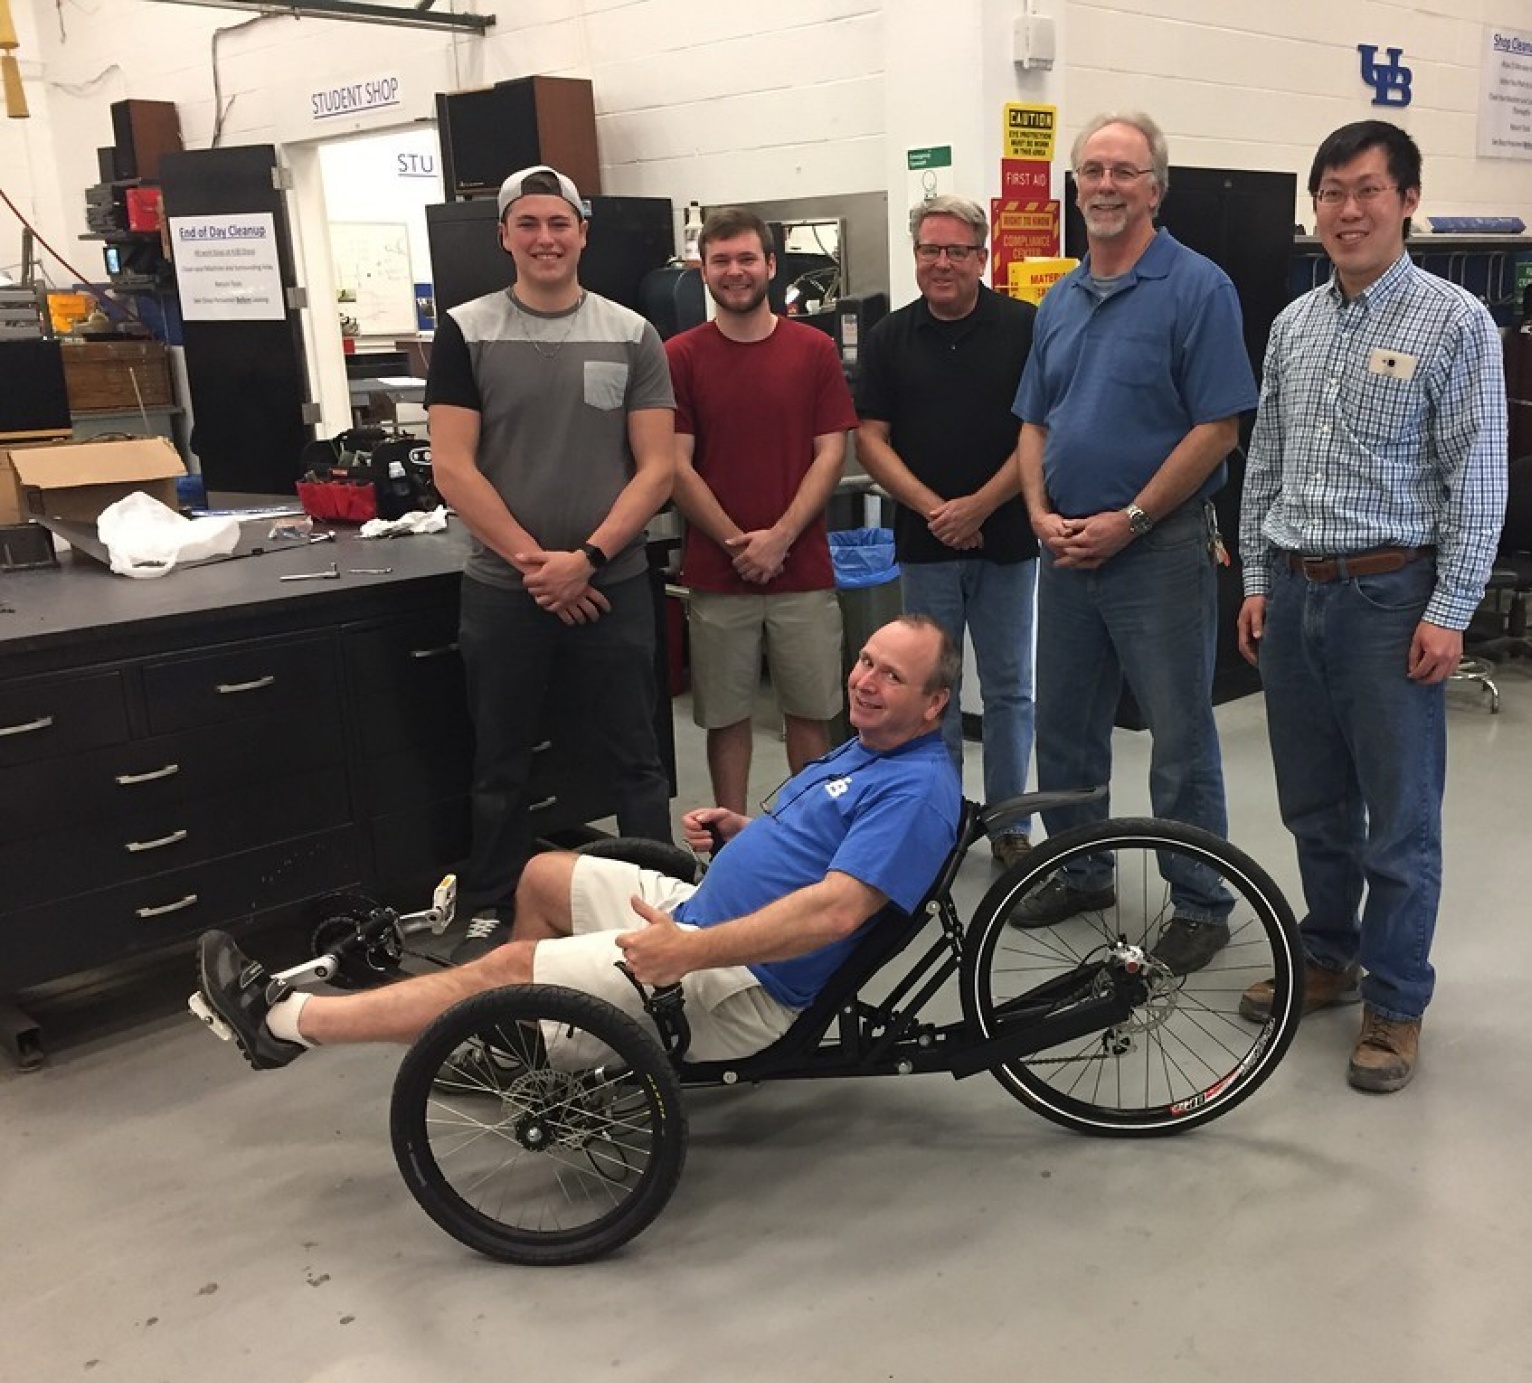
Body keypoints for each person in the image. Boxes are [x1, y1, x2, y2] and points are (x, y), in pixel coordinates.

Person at [191, 617, 963, 1071]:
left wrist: (689, 952)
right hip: (702, 916)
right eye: (865, 659)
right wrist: (745, 834)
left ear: (933, 704)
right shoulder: (871, 745)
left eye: (890, 675)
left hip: (740, 984)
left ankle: (285, 1024)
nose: (865, 680)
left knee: (501, 969)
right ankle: (530, 1049)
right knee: (540, 876)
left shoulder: (915, 789)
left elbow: (834, 912)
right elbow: (822, 850)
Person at [1235, 120, 1508, 1093]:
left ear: (1405, 201)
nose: (1346, 211)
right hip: (1296, 596)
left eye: (1365, 191)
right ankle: (1328, 956)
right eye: (1330, 193)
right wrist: (1257, 584)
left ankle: (1395, 1003)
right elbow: (1261, 463)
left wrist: (1451, 605)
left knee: (1398, 822)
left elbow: (1475, 476)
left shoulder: (1453, 322)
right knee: (1314, 807)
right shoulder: (1292, 326)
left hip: (1391, 598)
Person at [1009, 111, 1258, 973]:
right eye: (1092, 170)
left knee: (1179, 737)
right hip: (1067, 547)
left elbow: (1217, 428)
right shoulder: (1061, 298)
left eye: (1124, 170)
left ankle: (1200, 898)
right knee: (1065, 729)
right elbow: (1035, 422)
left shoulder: (1199, 288)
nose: (1106, 185)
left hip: (1154, 550)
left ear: (1155, 185)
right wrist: (1040, 514)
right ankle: (1082, 868)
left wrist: (1133, 520)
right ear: (1074, 184)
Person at [423, 165, 676, 955]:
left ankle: (655, 897)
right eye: (527, 224)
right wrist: (540, 563)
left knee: (638, 757)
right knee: (501, 762)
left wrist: (589, 556)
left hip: (615, 583)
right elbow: (452, 466)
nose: (545, 238)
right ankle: (494, 901)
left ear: (583, 234)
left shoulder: (634, 333)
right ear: (504, 235)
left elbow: (658, 466)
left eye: (558, 224)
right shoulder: (466, 332)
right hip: (507, 589)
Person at [855, 194, 1039, 868]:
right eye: (929, 250)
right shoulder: (889, 338)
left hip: (1010, 541)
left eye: (956, 250)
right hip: (926, 546)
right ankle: (938, 817)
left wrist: (979, 507)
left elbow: (1037, 432)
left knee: (1009, 687)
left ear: (981, 256)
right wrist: (939, 510)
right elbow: (870, 440)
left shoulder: (1025, 327)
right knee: (926, 691)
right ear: (916, 256)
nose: (941, 262)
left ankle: (1010, 824)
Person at [667, 207, 861, 813]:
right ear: (703, 270)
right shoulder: (681, 356)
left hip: (800, 569)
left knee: (810, 712)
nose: (735, 271)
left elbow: (831, 454)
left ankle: (807, 838)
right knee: (726, 718)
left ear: (771, 266)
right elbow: (674, 464)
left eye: (747, 258)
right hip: (717, 573)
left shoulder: (813, 349)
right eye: (720, 260)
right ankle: (727, 845)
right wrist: (736, 543)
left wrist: (779, 537)